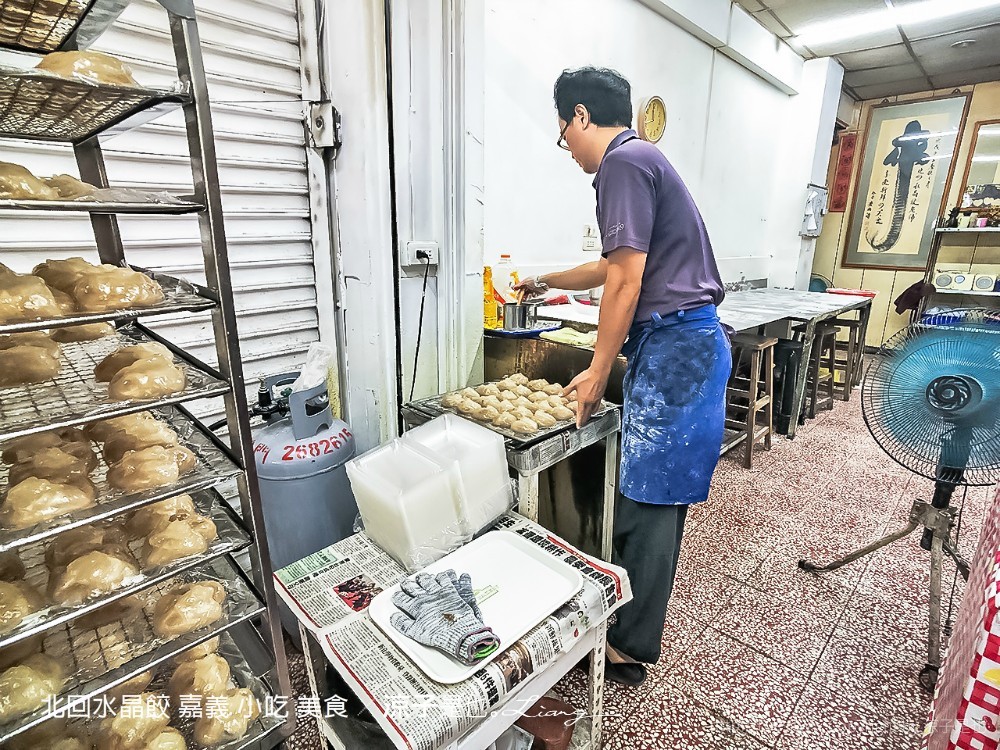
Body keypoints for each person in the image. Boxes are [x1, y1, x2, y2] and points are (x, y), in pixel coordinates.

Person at [515, 66, 731, 686]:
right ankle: (628, 621)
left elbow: (628, 283)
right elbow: (613, 265)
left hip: (678, 348)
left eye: (564, 132)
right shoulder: (638, 162)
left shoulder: (623, 164)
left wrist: (595, 369)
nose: (568, 147)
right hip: (675, 345)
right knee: (643, 494)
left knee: (651, 500)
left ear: (581, 116)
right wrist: (545, 280)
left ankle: (630, 648)